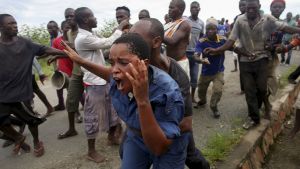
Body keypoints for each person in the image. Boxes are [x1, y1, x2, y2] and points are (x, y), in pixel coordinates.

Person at [62, 32, 190, 169]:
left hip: (167, 145)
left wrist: (142, 100)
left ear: (144, 64)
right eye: (111, 63)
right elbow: (107, 73)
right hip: (136, 137)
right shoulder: (119, 76)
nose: (114, 70)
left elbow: (159, 147)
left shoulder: (167, 92)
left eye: (123, 62)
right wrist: (80, 61)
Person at [204, 0, 300, 129]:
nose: (250, 11)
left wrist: (298, 30)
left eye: (253, 8)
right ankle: (253, 118)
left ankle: (264, 107)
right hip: (245, 61)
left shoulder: (267, 19)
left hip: (262, 59)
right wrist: (217, 50)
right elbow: (231, 40)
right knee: (249, 91)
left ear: (259, 7)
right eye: (248, 8)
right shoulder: (240, 20)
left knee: (261, 89)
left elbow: (284, 27)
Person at [129, 18, 210, 169]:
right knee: (127, 152)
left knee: (193, 159)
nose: (130, 43)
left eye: (136, 38)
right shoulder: (133, 68)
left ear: (156, 42)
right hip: (144, 129)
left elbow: (185, 124)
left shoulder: (177, 74)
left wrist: (155, 133)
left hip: (173, 129)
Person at [0, 14, 65, 157]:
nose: (15, 25)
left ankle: (36, 141)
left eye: (15, 23)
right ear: (1, 27)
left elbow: (45, 49)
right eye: (10, 24)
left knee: (31, 121)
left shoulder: (25, 42)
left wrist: (66, 53)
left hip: (22, 92)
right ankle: (18, 137)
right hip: (3, 94)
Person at [73, 7, 127, 163]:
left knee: (112, 109)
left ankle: (111, 136)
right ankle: (91, 151)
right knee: (93, 116)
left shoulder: (91, 34)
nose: (95, 18)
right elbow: (107, 42)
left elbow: (107, 43)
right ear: (85, 20)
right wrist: (119, 28)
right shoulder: (83, 38)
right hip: (94, 82)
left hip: (103, 79)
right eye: (92, 16)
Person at [57, 8, 84, 140]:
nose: (69, 19)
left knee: (100, 99)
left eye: (71, 16)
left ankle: (112, 128)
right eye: (66, 16)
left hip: (90, 70)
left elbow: (83, 50)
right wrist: (56, 55)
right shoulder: (67, 32)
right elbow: (69, 51)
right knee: (71, 99)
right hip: (76, 71)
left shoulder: (84, 31)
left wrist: (71, 46)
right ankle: (71, 129)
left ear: (77, 17)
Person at [193, 18, 226, 118]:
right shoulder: (202, 41)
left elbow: (231, 46)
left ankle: (214, 107)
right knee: (201, 90)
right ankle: (203, 101)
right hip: (205, 72)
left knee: (217, 90)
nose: (210, 31)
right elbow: (196, 55)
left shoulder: (222, 39)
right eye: (208, 29)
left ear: (217, 29)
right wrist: (201, 60)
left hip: (218, 71)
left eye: (213, 29)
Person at [164, 0, 191, 77]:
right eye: (169, 7)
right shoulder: (168, 25)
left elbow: (172, 41)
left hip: (180, 63)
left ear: (180, 10)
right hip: (169, 62)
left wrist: (155, 32)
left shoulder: (184, 24)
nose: (169, 9)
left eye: (172, 7)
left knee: (181, 88)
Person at [52, 20, 73, 114]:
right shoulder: (57, 41)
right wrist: (55, 66)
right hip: (64, 70)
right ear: (62, 29)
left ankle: (84, 108)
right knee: (71, 93)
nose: (68, 30)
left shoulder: (75, 39)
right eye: (66, 28)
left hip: (76, 68)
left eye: (70, 28)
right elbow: (53, 54)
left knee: (78, 93)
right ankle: (75, 113)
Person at [186, 1, 204, 103]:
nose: (193, 9)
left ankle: (192, 97)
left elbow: (202, 37)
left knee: (194, 76)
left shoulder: (201, 23)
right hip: (184, 53)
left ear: (199, 9)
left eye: (195, 7)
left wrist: (200, 49)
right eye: (192, 7)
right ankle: (185, 98)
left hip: (195, 54)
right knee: (184, 76)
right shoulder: (185, 21)